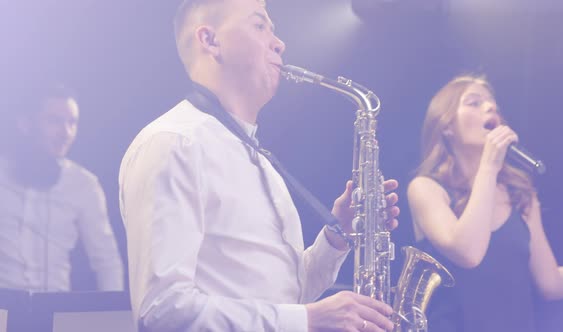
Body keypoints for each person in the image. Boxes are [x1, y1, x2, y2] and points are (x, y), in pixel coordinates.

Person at [118, 0, 401, 331]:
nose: (278, 43)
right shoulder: (172, 143)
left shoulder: (255, 155)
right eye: (259, 25)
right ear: (210, 40)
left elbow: (285, 296)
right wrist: (309, 319)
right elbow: (162, 311)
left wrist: (337, 237)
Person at [407, 75, 563, 332]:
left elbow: (550, 282)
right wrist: (490, 165)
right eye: (474, 103)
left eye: (493, 104)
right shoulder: (426, 188)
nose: (491, 107)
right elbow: (468, 252)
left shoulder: (520, 194)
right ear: (446, 125)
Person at [0, 83, 125, 292]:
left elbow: (107, 262)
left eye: (72, 122)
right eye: (54, 121)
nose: (65, 132)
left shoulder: (84, 185)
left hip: (55, 314)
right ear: (26, 124)